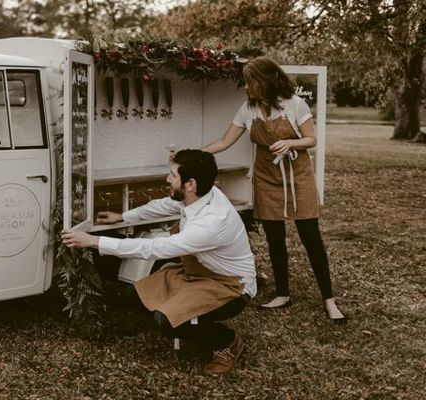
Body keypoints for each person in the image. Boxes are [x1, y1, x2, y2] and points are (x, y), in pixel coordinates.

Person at [62, 150, 256, 375]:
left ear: (190, 184)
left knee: (165, 320)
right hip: (197, 273)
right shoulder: (203, 194)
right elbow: (166, 205)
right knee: (133, 297)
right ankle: (190, 326)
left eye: (172, 175)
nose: (167, 179)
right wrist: (123, 217)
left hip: (232, 286)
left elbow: (154, 249)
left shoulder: (211, 223)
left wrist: (94, 241)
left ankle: (226, 342)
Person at [201, 56, 346, 324]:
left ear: (264, 81)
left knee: (310, 237)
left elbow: (311, 139)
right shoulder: (248, 109)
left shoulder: (295, 104)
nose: (246, 87)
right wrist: (194, 153)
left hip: (297, 176)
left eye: (249, 82)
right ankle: (282, 293)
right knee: (274, 237)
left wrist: (291, 144)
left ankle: (329, 300)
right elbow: (224, 141)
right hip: (267, 177)